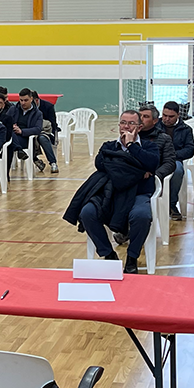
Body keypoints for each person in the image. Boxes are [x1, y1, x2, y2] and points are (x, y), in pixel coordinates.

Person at [64, 110, 159, 275]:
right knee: (87, 213)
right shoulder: (108, 146)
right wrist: (137, 171)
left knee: (142, 216)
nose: (126, 127)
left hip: (139, 193)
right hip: (110, 193)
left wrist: (131, 146)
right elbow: (100, 165)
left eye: (131, 123)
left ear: (139, 127)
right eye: (123, 123)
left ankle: (132, 257)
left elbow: (152, 164)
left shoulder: (149, 147)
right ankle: (109, 254)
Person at [160, 101, 194, 220]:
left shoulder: (186, 129)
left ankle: (171, 204)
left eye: (171, 116)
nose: (166, 119)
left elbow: (190, 150)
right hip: (156, 158)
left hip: (174, 160)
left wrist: (172, 155)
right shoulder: (155, 126)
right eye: (164, 115)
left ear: (178, 115)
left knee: (178, 170)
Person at [137, 103, 176, 212]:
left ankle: (171, 205)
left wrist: (155, 175)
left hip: (150, 181)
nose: (141, 119)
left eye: (145, 116)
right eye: (139, 116)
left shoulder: (164, 138)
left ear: (155, 121)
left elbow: (169, 163)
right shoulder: (129, 137)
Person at [8, 87, 56, 173]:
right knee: (9, 138)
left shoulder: (38, 113)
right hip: (12, 135)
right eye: (21, 100)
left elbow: (37, 129)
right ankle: (19, 152)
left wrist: (21, 131)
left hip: (26, 138)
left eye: (25, 100)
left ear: (31, 99)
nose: (23, 103)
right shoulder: (13, 109)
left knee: (42, 138)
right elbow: (4, 121)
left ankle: (52, 162)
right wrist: (11, 125)